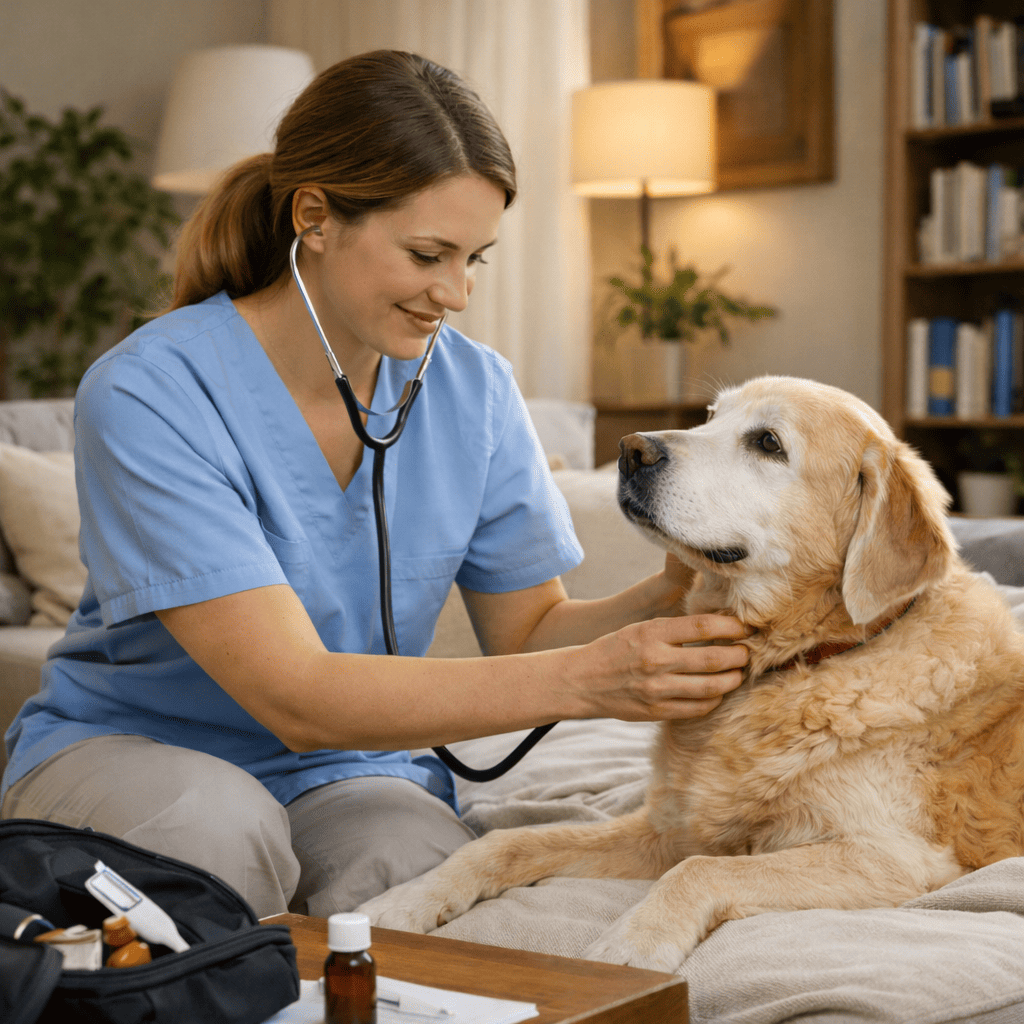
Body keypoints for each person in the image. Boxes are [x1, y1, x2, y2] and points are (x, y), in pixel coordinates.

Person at [0, 50, 749, 918]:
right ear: (315, 217)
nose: (456, 293)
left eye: (475, 258)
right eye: (428, 254)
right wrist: (590, 680)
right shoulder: (150, 391)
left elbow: (530, 630)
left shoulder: (475, 390)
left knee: (419, 869)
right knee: (218, 836)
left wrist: (674, 591)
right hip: (134, 746)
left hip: (345, 766)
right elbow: (295, 695)